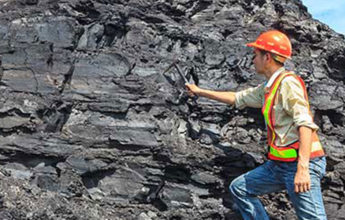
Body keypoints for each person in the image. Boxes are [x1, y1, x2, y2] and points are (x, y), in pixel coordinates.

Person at [185, 30, 327, 220]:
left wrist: (303, 170)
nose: (253, 60)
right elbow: (237, 98)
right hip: (278, 166)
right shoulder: (269, 87)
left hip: (302, 164)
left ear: (267, 57)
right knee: (240, 188)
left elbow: (305, 123)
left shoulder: (288, 83)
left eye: (256, 55)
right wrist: (199, 91)